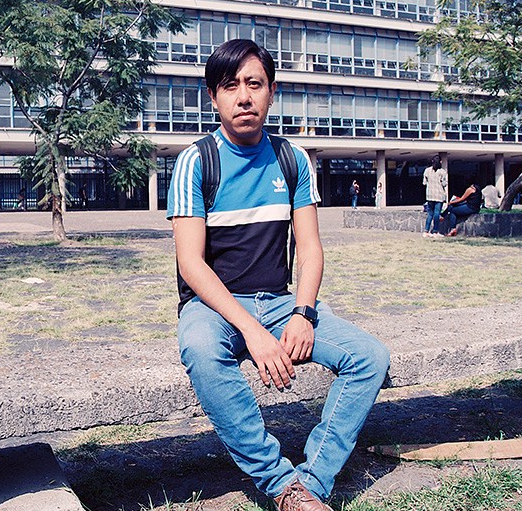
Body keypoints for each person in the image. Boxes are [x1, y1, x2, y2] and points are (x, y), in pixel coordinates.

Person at [167, 39, 389, 511]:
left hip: (281, 302)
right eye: (230, 86)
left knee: (369, 357)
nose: (244, 96)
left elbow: (309, 250)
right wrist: (252, 331)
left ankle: (311, 484)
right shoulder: (196, 162)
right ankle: (279, 484)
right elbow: (191, 264)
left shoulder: (292, 159)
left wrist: (303, 314)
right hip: (214, 307)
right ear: (213, 97)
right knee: (202, 352)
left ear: (271, 92)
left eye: (255, 84)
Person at [421, 155, 448, 237]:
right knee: (437, 213)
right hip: (439, 195)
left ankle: (426, 231)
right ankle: (435, 231)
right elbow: (444, 184)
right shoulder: (442, 172)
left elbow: (424, 183)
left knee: (430, 214)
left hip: (429, 195)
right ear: (440, 162)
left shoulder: (427, 170)